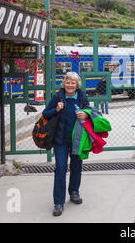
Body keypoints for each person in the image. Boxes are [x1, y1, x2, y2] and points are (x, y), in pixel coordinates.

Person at [42, 72, 90, 217]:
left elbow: (91, 111)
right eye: (67, 82)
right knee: (61, 168)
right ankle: (58, 202)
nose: (70, 85)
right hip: (60, 140)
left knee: (76, 166)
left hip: (77, 140)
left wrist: (86, 114)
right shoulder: (58, 97)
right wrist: (56, 109)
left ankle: (74, 192)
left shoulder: (82, 97)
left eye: (73, 83)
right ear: (64, 84)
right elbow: (45, 113)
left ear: (77, 85)